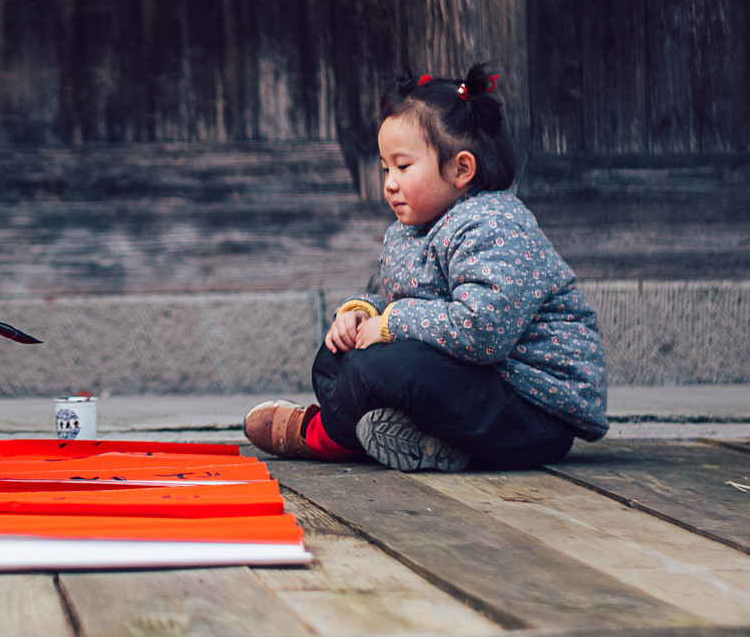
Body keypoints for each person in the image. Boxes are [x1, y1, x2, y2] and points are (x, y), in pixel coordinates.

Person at [245, 65, 607, 472]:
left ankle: (322, 437)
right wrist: (362, 311)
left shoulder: (494, 225)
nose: (389, 183)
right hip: (473, 392)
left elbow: (483, 330)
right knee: (336, 356)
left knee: (385, 367)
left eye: (403, 167)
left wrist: (390, 322)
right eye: (385, 169)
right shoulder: (415, 228)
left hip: (530, 411)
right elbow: (396, 298)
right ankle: (421, 442)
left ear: (461, 169)